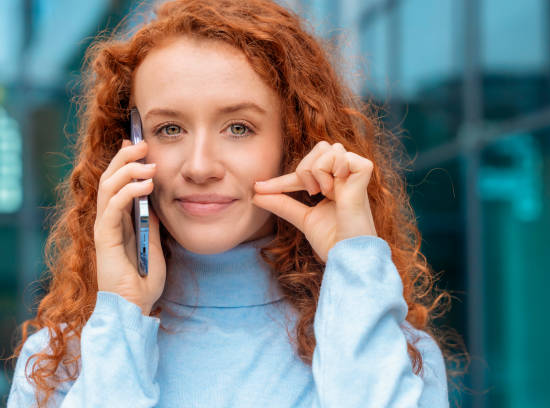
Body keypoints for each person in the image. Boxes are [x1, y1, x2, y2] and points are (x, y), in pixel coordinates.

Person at [7, 0, 455, 406]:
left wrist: (353, 263)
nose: (200, 167)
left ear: (294, 143)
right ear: (129, 150)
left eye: (238, 127)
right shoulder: (57, 366)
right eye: (169, 129)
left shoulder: (396, 356)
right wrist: (122, 315)